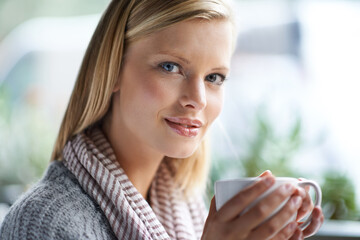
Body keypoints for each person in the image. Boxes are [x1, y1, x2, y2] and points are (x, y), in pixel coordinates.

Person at [0, 0, 324, 239]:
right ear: (112, 70)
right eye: (171, 67)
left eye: (214, 77)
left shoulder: (187, 210)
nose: (196, 99)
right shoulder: (47, 222)